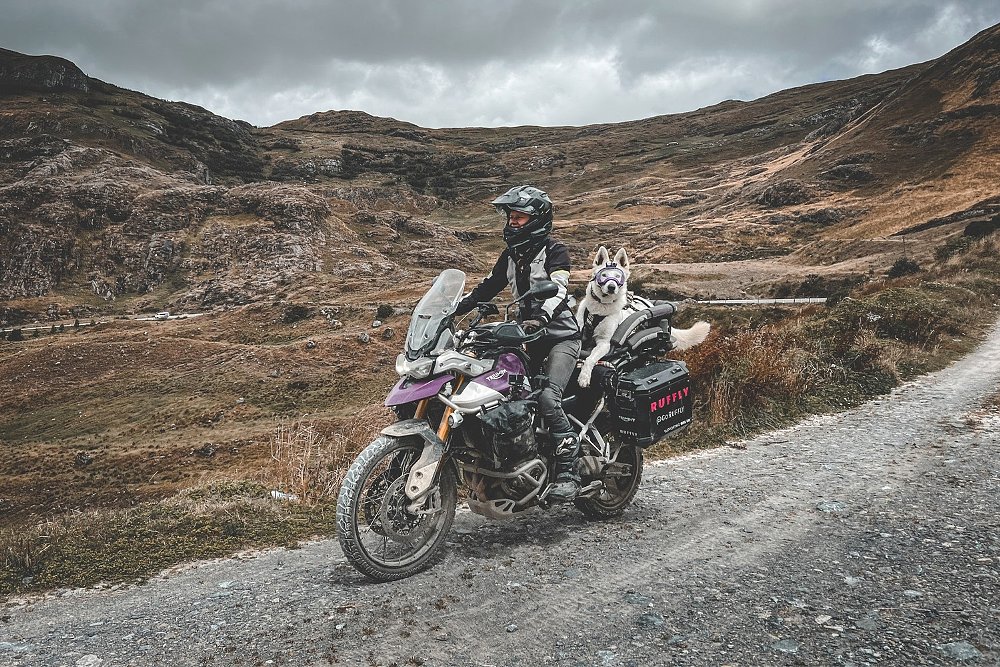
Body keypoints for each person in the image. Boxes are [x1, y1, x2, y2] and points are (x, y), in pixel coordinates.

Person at [454, 185, 583, 501]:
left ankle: (569, 469)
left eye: (520, 217)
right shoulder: (510, 255)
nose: (513, 223)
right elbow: (487, 288)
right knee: (501, 393)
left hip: (559, 339)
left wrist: (540, 318)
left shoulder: (555, 252)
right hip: (525, 340)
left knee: (548, 398)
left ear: (537, 219)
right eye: (511, 217)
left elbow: (560, 290)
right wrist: (455, 309)